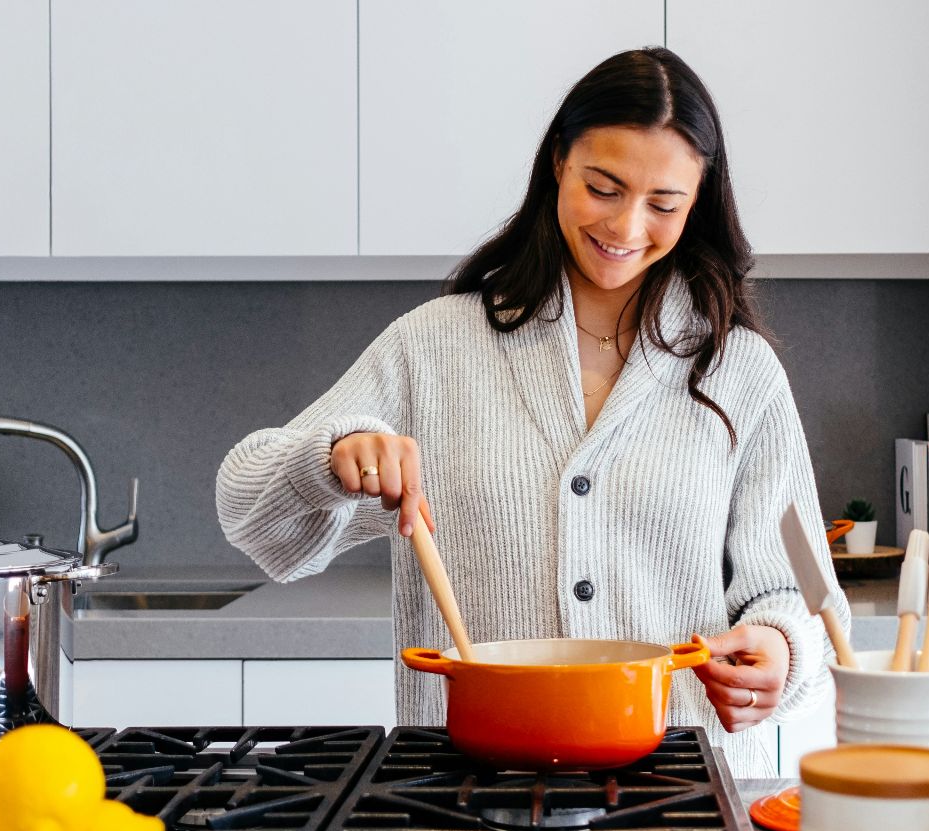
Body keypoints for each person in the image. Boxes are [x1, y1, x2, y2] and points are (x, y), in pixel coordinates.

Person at [216, 47, 847, 777]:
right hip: (462, 794)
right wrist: (329, 459)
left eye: (663, 204)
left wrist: (777, 649)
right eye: (603, 187)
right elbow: (249, 514)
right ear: (558, 163)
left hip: (673, 796)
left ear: (699, 200)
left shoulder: (738, 370)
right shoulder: (437, 347)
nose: (627, 225)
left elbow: (799, 595)